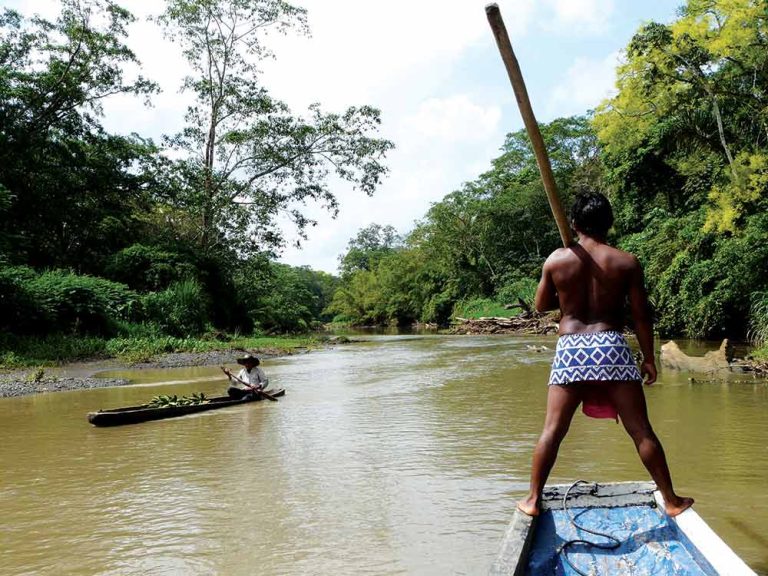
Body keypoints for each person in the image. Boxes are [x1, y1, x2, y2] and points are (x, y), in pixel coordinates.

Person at [517, 192, 694, 518]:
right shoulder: (626, 261)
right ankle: (670, 500)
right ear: (609, 223)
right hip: (610, 345)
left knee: (552, 430)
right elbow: (641, 316)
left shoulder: (556, 260)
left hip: (570, 348)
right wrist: (649, 358)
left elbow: (541, 305)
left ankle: (531, 500)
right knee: (641, 430)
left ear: (574, 224)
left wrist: (568, 294)